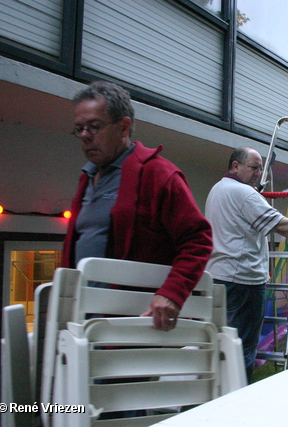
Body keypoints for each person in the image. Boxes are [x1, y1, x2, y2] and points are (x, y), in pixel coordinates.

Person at [62, 81, 213, 332]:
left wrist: (172, 293)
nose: (85, 135)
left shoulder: (158, 174)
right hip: (83, 323)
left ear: (124, 126)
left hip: (133, 326)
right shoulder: (86, 177)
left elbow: (198, 240)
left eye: (94, 127)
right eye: (79, 128)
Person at [205, 147, 288, 383]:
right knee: (242, 351)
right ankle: (239, 405)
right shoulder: (244, 194)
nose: (258, 173)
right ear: (235, 166)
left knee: (222, 347)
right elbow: (283, 226)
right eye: (253, 167)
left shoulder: (217, 190)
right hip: (243, 283)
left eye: (260, 168)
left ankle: (216, 401)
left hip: (218, 279)